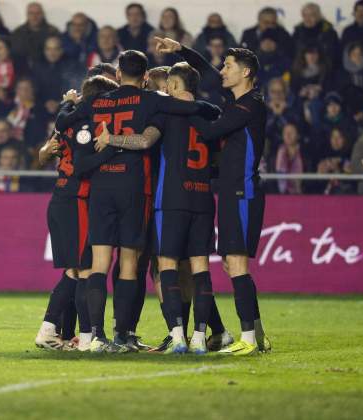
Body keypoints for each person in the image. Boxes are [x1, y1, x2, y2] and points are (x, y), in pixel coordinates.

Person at [55, 49, 219, 353]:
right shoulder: (151, 99)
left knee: (99, 264)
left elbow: (63, 121)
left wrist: (68, 104)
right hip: (134, 187)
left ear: (118, 74)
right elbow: (200, 109)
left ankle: (94, 337)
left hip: (101, 187)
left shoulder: (97, 101)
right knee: (130, 264)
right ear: (145, 77)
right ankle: (123, 335)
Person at [94, 61, 228, 354]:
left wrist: (110, 139)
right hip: (204, 199)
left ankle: (177, 335)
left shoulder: (166, 114)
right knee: (199, 270)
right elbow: (220, 159)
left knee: (164, 267)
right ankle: (201, 337)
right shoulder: (212, 113)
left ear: (176, 86)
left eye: (167, 83)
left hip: (169, 201)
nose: (163, 88)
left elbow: (143, 141)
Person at [155, 36, 272, 355]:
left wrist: (180, 105)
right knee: (231, 265)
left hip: (242, 191)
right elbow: (207, 72)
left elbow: (208, 133)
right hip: (232, 192)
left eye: (229, 66)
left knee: (236, 264)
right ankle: (257, 335)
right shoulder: (239, 102)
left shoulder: (249, 105)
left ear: (245, 72)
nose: (222, 70)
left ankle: (247, 338)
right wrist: (181, 49)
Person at [35, 74, 119, 351]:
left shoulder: (67, 122)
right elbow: (81, 164)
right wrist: (111, 149)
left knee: (73, 271)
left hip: (62, 198)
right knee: (85, 270)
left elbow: (49, 148)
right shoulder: (86, 125)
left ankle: (48, 330)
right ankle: (86, 339)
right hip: (76, 200)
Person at [32, 35, 85, 116]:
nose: (52, 53)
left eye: (56, 49)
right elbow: (34, 91)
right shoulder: (37, 67)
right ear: (44, 51)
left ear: (61, 50)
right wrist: (45, 103)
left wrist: (59, 103)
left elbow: (77, 91)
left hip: (66, 109)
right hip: (41, 109)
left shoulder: (72, 67)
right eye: (48, 49)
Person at [292, 3, 339, 69]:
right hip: (302, 71)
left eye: (311, 15)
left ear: (318, 15)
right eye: (305, 15)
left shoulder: (329, 33)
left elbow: (334, 55)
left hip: (325, 71)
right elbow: (293, 54)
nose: (307, 18)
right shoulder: (297, 33)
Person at [0, 35, 30, 104]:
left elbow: (25, 81)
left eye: (0, 48)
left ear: (8, 49)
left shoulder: (20, 62)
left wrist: (8, 94)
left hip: (16, 98)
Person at [275, 122, 304, 194]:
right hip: (278, 197)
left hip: (302, 195)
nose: (288, 135)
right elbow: (271, 179)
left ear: (297, 135)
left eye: (291, 132)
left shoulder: (305, 153)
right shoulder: (275, 154)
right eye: (285, 132)